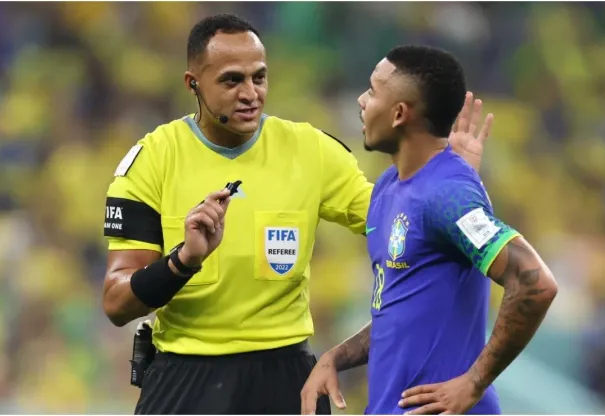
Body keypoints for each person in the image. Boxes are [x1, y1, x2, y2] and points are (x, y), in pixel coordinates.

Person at [101, 13, 490, 415]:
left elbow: (405, 225)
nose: (250, 93)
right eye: (232, 80)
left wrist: (449, 178)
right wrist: (184, 261)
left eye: (259, 77)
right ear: (193, 84)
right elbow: (116, 303)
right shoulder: (152, 161)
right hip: (185, 379)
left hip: (284, 379)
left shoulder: (311, 150)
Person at [300, 46, 559, 415]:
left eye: (373, 91)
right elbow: (401, 313)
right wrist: (336, 357)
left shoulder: (446, 193)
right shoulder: (389, 188)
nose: (361, 100)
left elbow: (536, 283)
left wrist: (474, 382)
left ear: (399, 113)